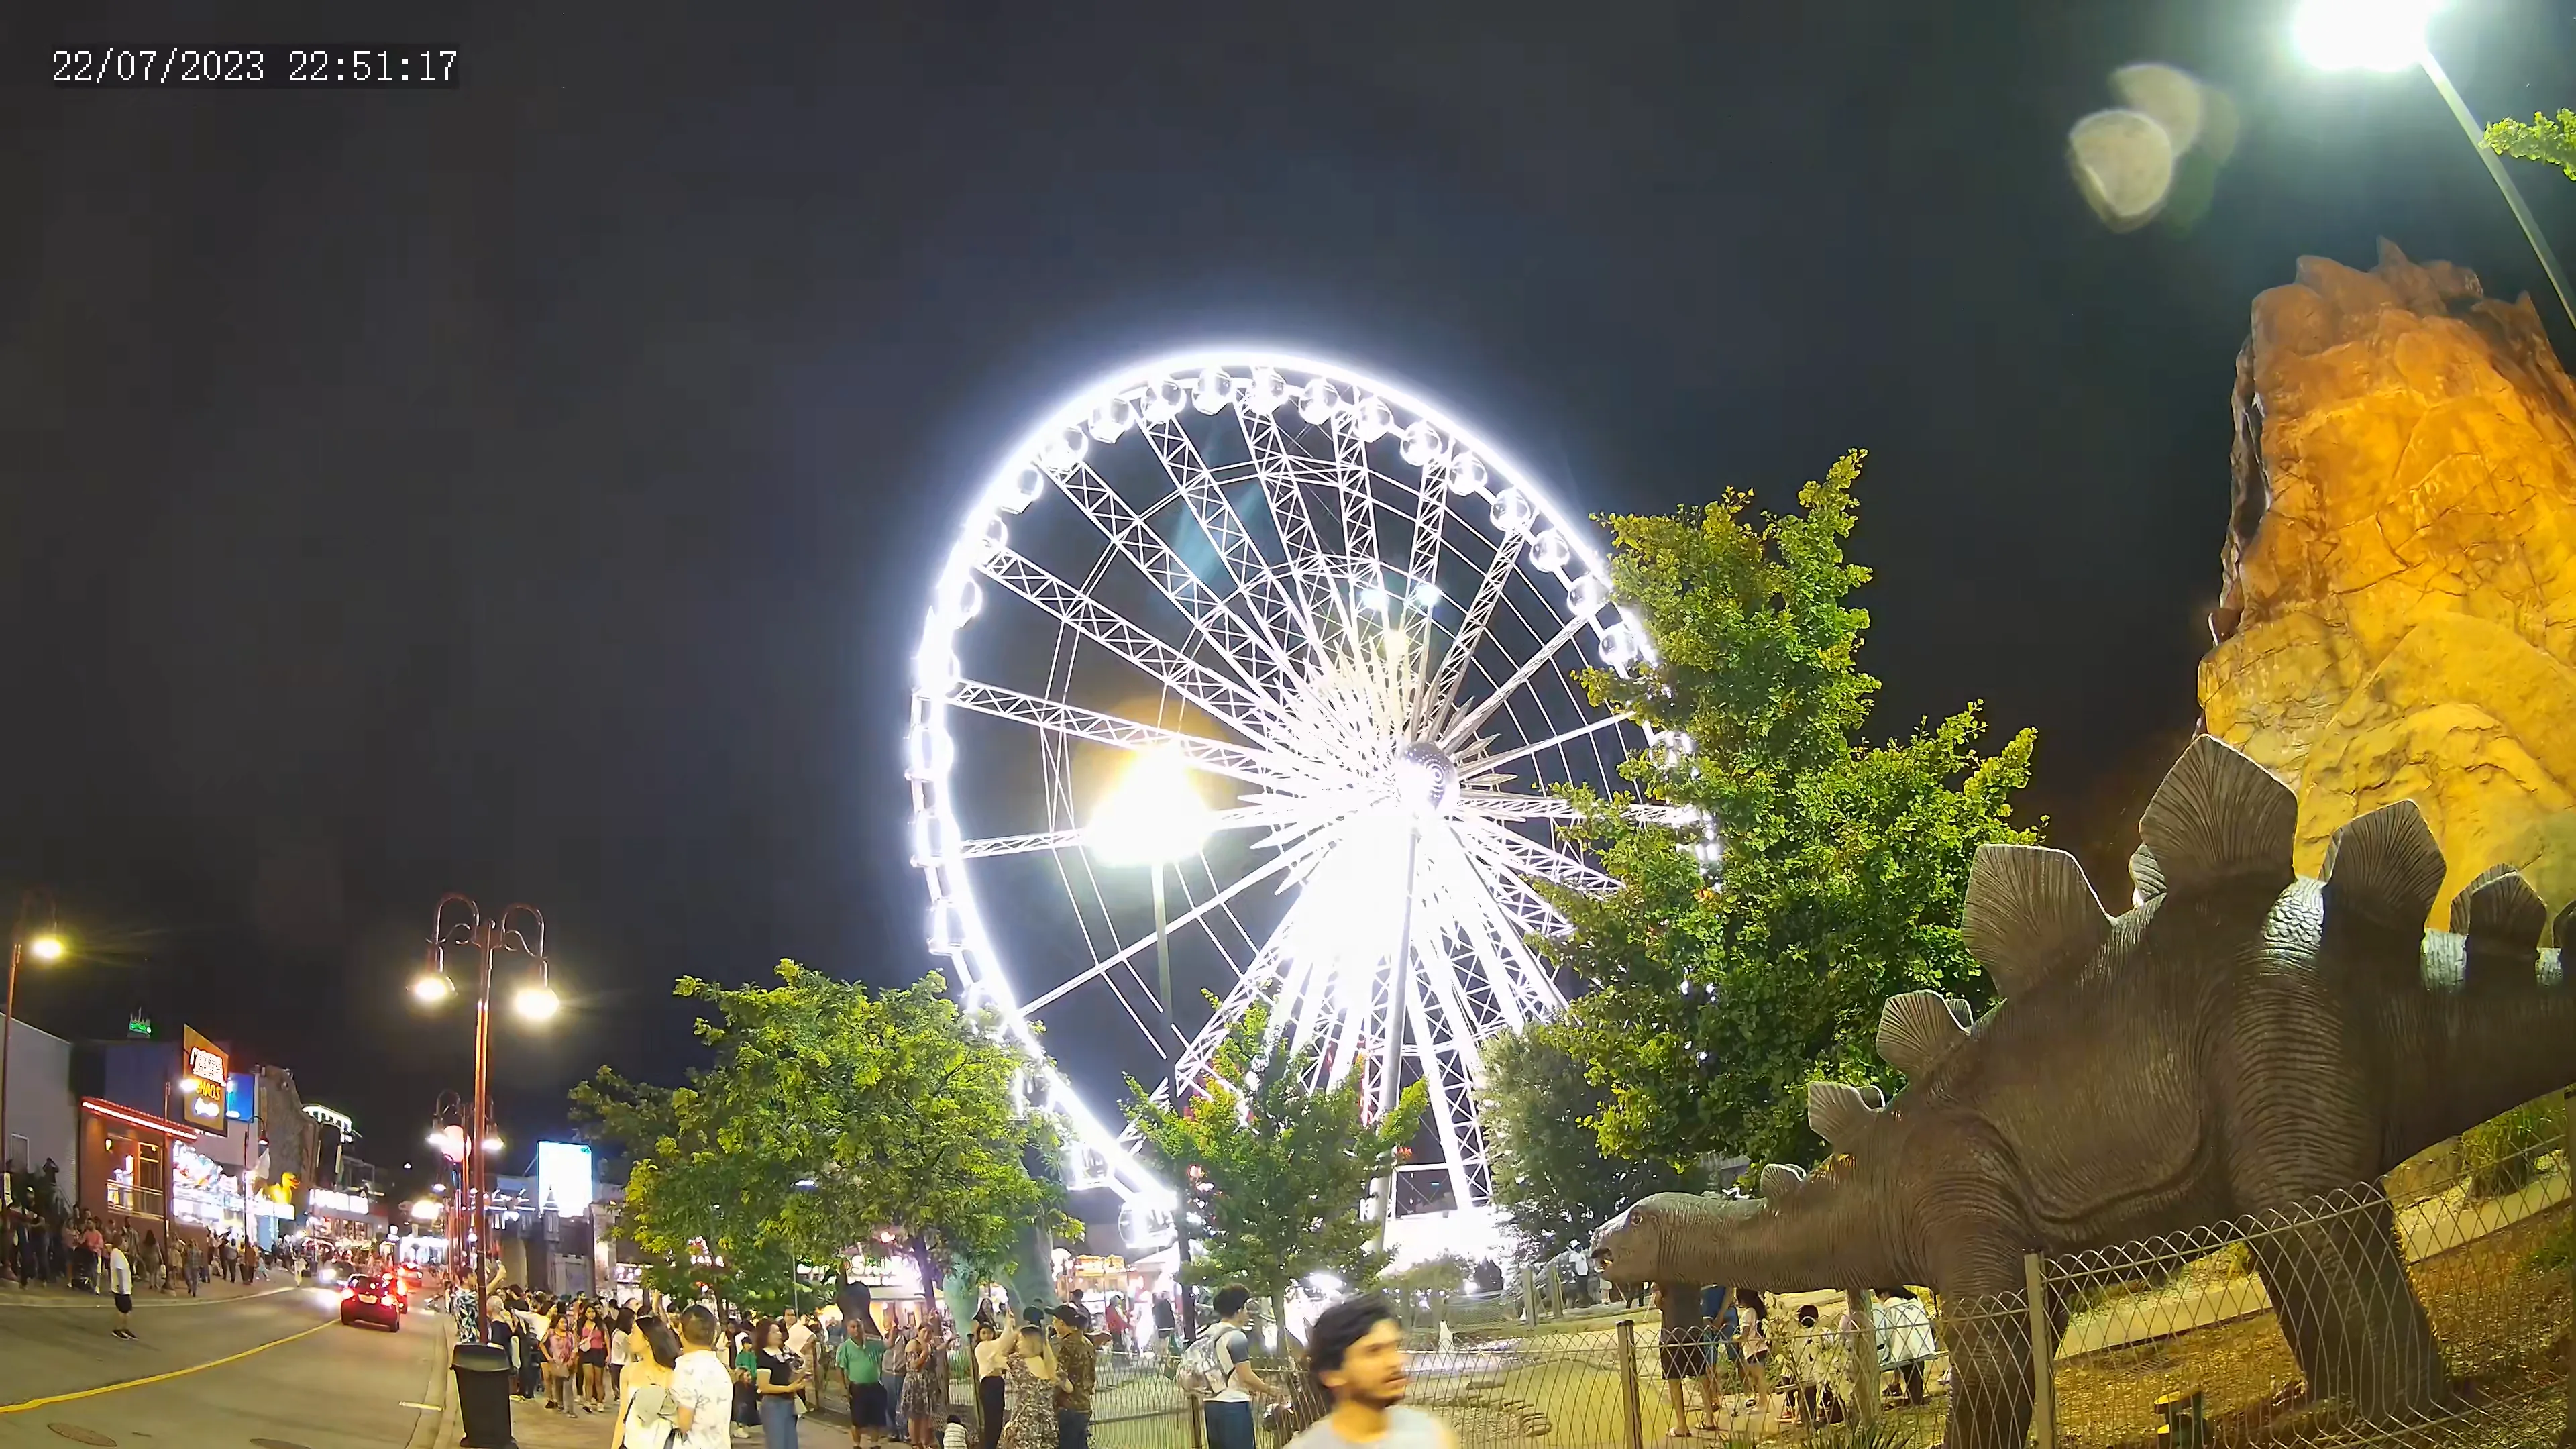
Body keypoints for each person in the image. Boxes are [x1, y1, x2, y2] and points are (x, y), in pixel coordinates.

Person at [1285, 1295, 1456, 1448]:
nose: (1396, 1361)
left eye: (1395, 1347)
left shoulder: (1432, 1436)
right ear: (1332, 1373)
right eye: (1373, 1351)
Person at [1193, 1285, 1282, 1449]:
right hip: (1233, 1405)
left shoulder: (1210, 1332)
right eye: (1246, 1308)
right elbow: (1246, 1375)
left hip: (1211, 1405)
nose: (1248, 1313)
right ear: (1239, 1310)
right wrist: (1270, 1389)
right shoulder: (1236, 1337)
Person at [671, 1306, 737, 1449]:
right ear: (714, 1334)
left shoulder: (686, 1369)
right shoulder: (720, 1367)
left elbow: (683, 1423)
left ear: (681, 1329)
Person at [1654, 1283, 1714, 1438]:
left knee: (1674, 1380)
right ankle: (1709, 1418)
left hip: (1672, 1335)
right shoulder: (1691, 1275)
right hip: (1694, 1331)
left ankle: (1682, 1425)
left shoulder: (1663, 1276)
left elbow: (1658, 1302)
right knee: (1701, 1375)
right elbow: (1699, 1298)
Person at [617, 1316, 684, 1449]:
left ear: (648, 1339)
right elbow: (622, 1419)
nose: (629, 1337)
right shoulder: (628, 1372)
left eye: (634, 1332)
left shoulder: (675, 1373)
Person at [746, 1318, 807, 1449]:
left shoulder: (784, 1353)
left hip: (789, 1404)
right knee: (778, 1444)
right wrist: (788, 1388)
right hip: (774, 1405)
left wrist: (800, 1378)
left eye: (779, 1331)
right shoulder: (764, 1357)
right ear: (765, 1335)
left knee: (791, 1443)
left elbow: (789, 1373)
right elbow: (763, 1386)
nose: (778, 1334)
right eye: (774, 1332)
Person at [902, 1312, 955, 1449]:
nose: (927, 1335)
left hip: (927, 1384)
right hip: (915, 1384)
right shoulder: (913, 1344)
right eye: (925, 1332)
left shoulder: (929, 1345)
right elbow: (913, 1365)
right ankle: (915, 1442)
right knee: (914, 1415)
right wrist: (924, 1354)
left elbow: (937, 1350)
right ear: (918, 1332)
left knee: (926, 1414)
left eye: (930, 1333)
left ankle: (925, 1442)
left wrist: (949, 1341)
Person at [840, 1306, 890, 1449]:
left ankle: (875, 1444)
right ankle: (857, 1444)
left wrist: (893, 1327)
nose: (856, 1329)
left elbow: (889, 1344)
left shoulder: (873, 1344)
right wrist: (844, 1387)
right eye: (853, 1327)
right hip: (858, 1387)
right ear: (848, 1329)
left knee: (876, 1419)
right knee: (857, 1421)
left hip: (874, 1385)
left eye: (859, 1326)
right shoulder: (845, 1347)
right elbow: (841, 1368)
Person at [1876, 1288, 1935, 1406]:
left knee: (1909, 1373)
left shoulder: (1890, 1305)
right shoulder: (1914, 1300)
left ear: (1885, 1293)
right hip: (1921, 1342)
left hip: (1903, 1345)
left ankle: (1916, 1402)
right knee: (1918, 1372)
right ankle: (1917, 1399)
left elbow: (1887, 1329)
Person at [1002, 1323, 1057, 1449]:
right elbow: (1069, 1388)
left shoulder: (1018, 1363)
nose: (1017, 1344)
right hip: (1046, 1424)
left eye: (1020, 1340)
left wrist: (1012, 1331)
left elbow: (995, 1356)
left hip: (1025, 1424)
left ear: (1029, 1342)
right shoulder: (1052, 1366)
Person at [1048, 1304, 1095, 1449]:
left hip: (1068, 1407)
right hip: (1084, 1405)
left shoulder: (1067, 1346)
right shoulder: (1087, 1343)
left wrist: (1049, 1400)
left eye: (1054, 1321)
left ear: (1062, 1323)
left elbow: (1059, 1378)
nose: (1052, 1324)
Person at [1735, 1290, 1776, 1424]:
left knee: (1759, 1377)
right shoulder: (1757, 1311)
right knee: (1758, 1376)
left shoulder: (1748, 1313)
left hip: (1754, 1349)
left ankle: (1763, 1403)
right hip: (1760, 1347)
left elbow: (1745, 1334)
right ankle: (1762, 1402)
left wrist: (1735, 1338)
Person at [973, 1321, 1008, 1449]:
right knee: (991, 1419)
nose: (987, 1335)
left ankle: (993, 1444)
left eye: (990, 1332)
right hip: (988, 1383)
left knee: (998, 1417)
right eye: (984, 1333)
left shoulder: (994, 1347)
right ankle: (989, 1445)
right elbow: (1003, 1342)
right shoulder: (981, 1347)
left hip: (998, 1382)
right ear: (979, 1335)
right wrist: (1009, 1324)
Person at [105, 1232, 136, 1340]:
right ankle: (118, 1329)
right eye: (125, 1241)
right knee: (123, 1310)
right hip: (121, 1288)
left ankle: (124, 1328)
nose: (126, 1244)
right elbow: (119, 1269)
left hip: (125, 1288)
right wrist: (121, 1285)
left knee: (127, 1309)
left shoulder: (119, 1253)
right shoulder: (117, 1253)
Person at [584, 1303, 614, 1411]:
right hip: (586, 1353)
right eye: (589, 1312)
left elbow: (607, 1340)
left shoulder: (601, 1325)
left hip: (599, 1352)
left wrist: (609, 1355)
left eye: (593, 1312)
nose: (591, 1314)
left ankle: (600, 1401)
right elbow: (577, 1338)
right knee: (588, 1379)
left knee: (598, 1379)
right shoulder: (582, 1324)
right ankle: (588, 1402)